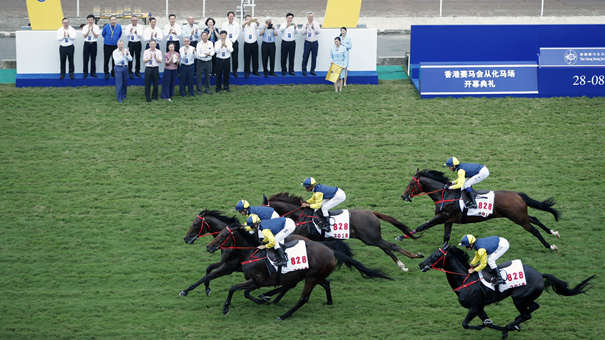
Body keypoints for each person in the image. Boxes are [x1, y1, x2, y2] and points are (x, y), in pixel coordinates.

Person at [300, 12, 321, 76]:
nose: (310, 18)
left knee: (314, 57)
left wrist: (314, 28)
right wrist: (306, 28)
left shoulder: (316, 24)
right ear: (307, 17)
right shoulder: (305, 24)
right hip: (307, 42)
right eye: (309, 17)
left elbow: (318, 31)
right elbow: (302, 33)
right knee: (305, 56)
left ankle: (312, 70)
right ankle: (304, 70)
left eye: (311, 17)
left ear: (313, 17)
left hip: (314, 42)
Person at [221, 11, 241, 78]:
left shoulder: (236, 24)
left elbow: (237, 33)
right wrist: (226, 41)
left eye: (232, 16)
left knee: (235, 58)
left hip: (234, 42)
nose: (231, 17)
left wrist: (232, 41)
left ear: (234, 17)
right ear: (227, 17)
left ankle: (235, 71)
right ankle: (227, 71)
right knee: (226, 57)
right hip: (226, 42)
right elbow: (223, 33)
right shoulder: (224, 24)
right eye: (230, 16)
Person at [82, 14, 100, 79]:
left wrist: (92, 31)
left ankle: (93, 72)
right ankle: (85, 72)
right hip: (86, 43)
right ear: (87, 20)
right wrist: (88, 30)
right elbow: (84, 36)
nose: (90, 21)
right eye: (89, 20)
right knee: (85, 59)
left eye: (91, 20)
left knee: (93, 58)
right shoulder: (85, 27)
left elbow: (96, 36)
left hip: (93, 43)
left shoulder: (96, 27)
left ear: (94, 20)